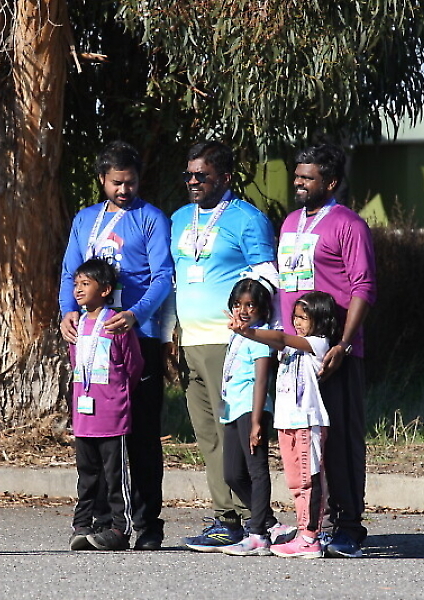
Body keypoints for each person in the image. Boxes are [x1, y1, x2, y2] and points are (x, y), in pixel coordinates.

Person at [59, 141, 173, 550]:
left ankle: (147, 524)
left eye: (131, 182)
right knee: (98, 437)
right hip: (94, 342)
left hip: (136, 337)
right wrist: (67, 311)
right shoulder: (85, 219)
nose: (124, 190)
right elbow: (70, 271)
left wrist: (137, 314)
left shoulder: (150, 218)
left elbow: (163, 275)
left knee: (140, 434)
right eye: (116, 183)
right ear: (102, 180)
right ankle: (101, 520)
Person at [168, 140, 279, 552]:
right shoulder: (180, 218)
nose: (193, 182)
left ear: (225, 177)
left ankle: (256, 521)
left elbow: (267, 277)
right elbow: (175, 279)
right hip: (190, 340)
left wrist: (253, 327)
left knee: (230, 433)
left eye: (202, 175)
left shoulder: (246, 218)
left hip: (229, 343)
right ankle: (225, 519)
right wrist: (167, 333)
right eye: (189, 175)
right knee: (206, 436)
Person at [277, 143, 377, 558]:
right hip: (295, 355)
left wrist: (344, 343)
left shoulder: (348, 224)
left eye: (308, 177)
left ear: (331, 182)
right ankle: (313, 527)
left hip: (333, 353)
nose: (299, 182)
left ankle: (349, 526)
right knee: (307, 443)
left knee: (340, 442)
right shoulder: (289, 222)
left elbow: (363, 287)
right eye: (297, 175)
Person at [228, 290, 339, 558]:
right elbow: (277, 340)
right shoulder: (290, 347)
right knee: (295, 483)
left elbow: (279, 337)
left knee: (308, 480)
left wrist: (247, 331)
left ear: (321, 320)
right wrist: (246, 332)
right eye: (295, 317)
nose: (297, 323)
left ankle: (310, 537)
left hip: (307, 422)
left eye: (303, 318)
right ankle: (302, 534)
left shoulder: (318, 343)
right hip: (286, 422)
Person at [67, 258, 144, 551]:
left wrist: (118, 393)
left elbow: (133, 365)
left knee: (115, 476)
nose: (78, 289)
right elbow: (76, 364)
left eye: (85, 284)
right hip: (83, 415)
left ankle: (119, 528)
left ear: (105, 289)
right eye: (76, 284)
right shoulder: (75, 325)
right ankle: (83, 524)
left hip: (111, 414)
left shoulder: (117, 323)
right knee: (87, 474)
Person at [217, 275, 295, 557]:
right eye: (238, 304)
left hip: (252, 408)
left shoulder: (260, 337)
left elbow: (262, 380)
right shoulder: (237, 335)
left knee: (257, 471)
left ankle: (258, 534)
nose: (243, 310)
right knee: (232, 474)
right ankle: (270, 523)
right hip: (233, 408)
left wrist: (256, 421)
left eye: (250, 305)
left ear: (263, 309)